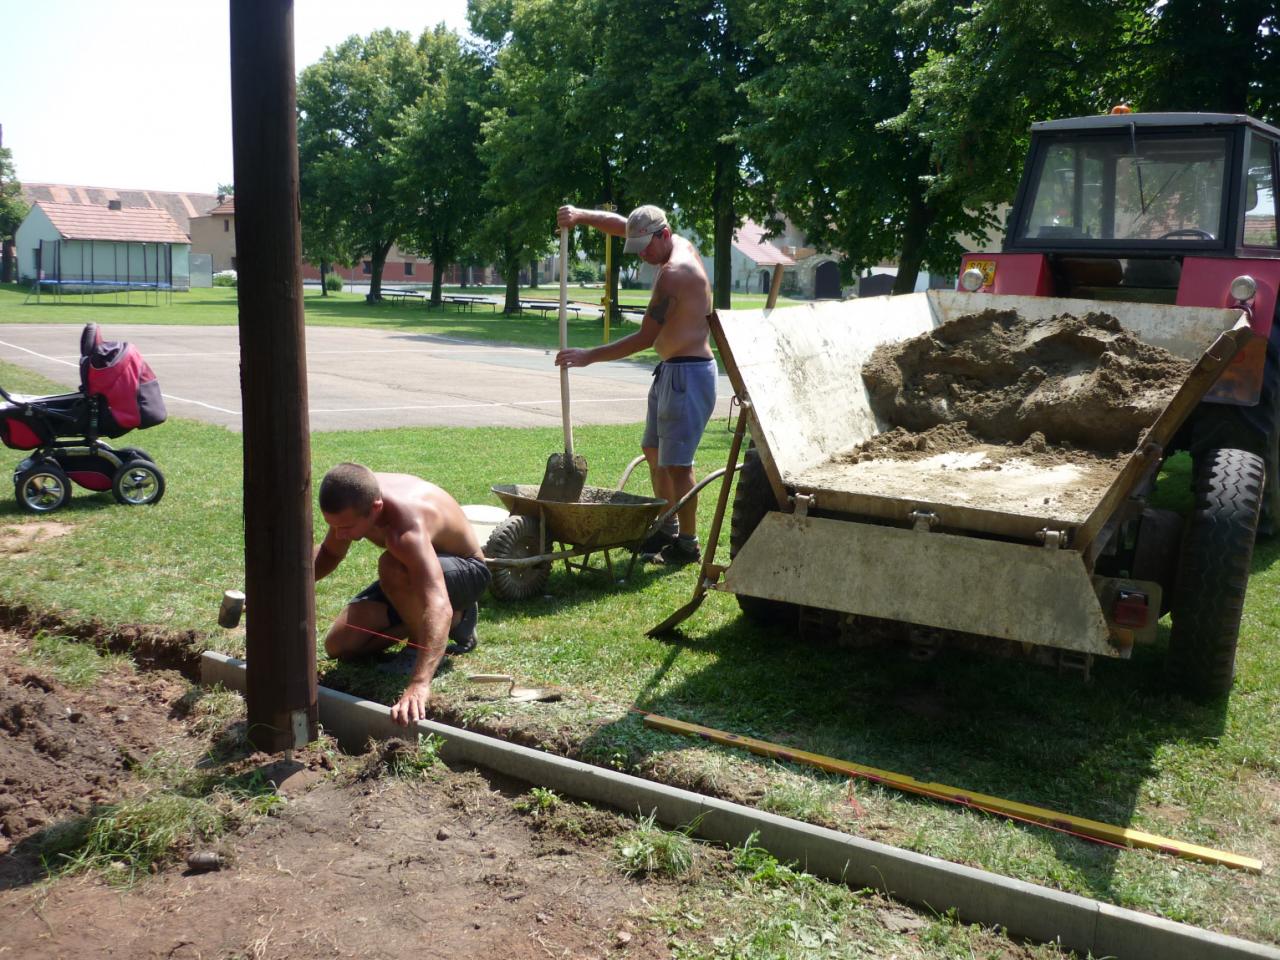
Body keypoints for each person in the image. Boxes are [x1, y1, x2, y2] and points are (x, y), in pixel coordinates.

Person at [554, 203, 717, 565]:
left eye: (646, 247)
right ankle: (667, 527)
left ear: (664, 234)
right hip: (671, 370)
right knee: (654, 451)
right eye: (637, 247)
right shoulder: (672, 245)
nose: (642, 255)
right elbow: (621, 225)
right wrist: (581, 215)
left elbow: (645, 337)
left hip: (689, 375)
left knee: (678, 465)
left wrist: (589, 356)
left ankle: (687, 544)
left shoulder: (675, 273)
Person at [314, 463, 490, 727]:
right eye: (333, 526)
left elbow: (437, 603)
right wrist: (279, 588)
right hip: (415, 571)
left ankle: (428, 639)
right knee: (341, 645)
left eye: (346, 527)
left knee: (392, 566)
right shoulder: (356, 494)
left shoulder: (405, 529)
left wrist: (419, 684)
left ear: (375, 509)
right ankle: (452, 621)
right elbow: (329, 553)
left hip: (464, 573)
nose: (339, 535)